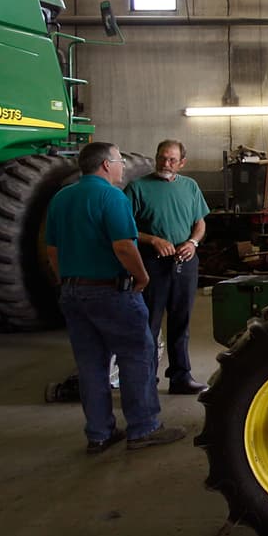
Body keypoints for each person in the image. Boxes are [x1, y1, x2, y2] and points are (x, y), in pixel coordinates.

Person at [46, 142, 186, 453]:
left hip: (72, 292)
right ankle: (144, 428)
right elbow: (124, 246)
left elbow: (52, 250)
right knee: (136, 356)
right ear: (106, 165)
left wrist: (66, 281)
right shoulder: (112, 196)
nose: (123, 166)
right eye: (120, 160)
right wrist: (142, 276)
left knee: (91, 365)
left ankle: (98, 434)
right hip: (110, 291)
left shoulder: (61, 198)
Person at [126, 139, 210, 395]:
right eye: (162, 158)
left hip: (185, 263)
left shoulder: (190, 187)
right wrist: (153, 240)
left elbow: (200, 222)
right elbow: (125, 228)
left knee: (180, 324)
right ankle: (146, 382)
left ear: (182, 163)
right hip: (152, 264)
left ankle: (180, 378)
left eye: (172, 159)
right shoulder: (137, 188)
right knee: (148, 325)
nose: (166, 163)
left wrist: (193, 243)